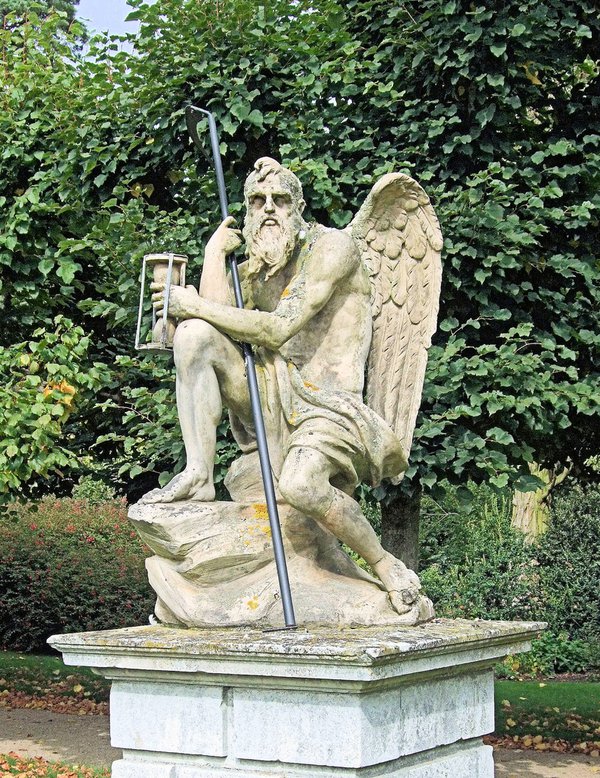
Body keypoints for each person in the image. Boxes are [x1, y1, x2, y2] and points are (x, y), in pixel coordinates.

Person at [147, 157, 424, 615]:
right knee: (195, 337)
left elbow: (276, 330)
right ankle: (199, 475)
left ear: (298, 207)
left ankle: (384, 563)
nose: (269, 210)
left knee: (299, 486)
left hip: (329, 407)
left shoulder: (332, 248)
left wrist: (189, 303)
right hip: (275, 390)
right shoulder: (258, 268)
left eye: (279, 201)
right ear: (248, 213)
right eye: (258, 202)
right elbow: (212, 329)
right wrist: (214, 256)